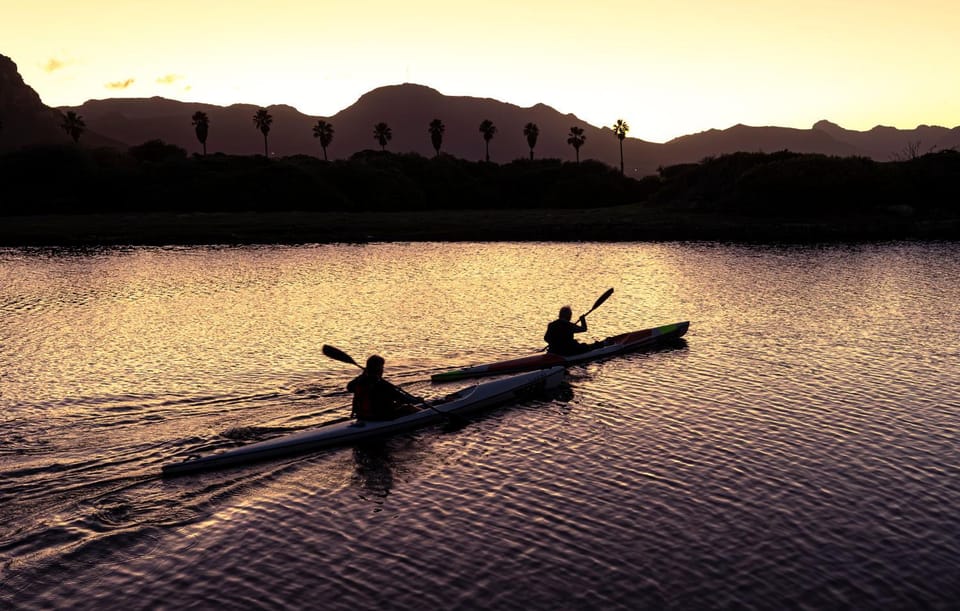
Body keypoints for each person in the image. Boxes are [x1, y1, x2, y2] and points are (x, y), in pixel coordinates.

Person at [347, 355, 422, 421]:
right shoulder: (383, 384)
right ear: (379, 369)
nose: (383, 370)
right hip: (381, 417)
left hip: (361, 416)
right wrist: (416, 400)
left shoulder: (359, 381)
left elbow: (349, 388)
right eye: (382, 367)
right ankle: (424, 414)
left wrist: (363, 375)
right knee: (409, 407)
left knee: (397, 404)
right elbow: (402, 398)